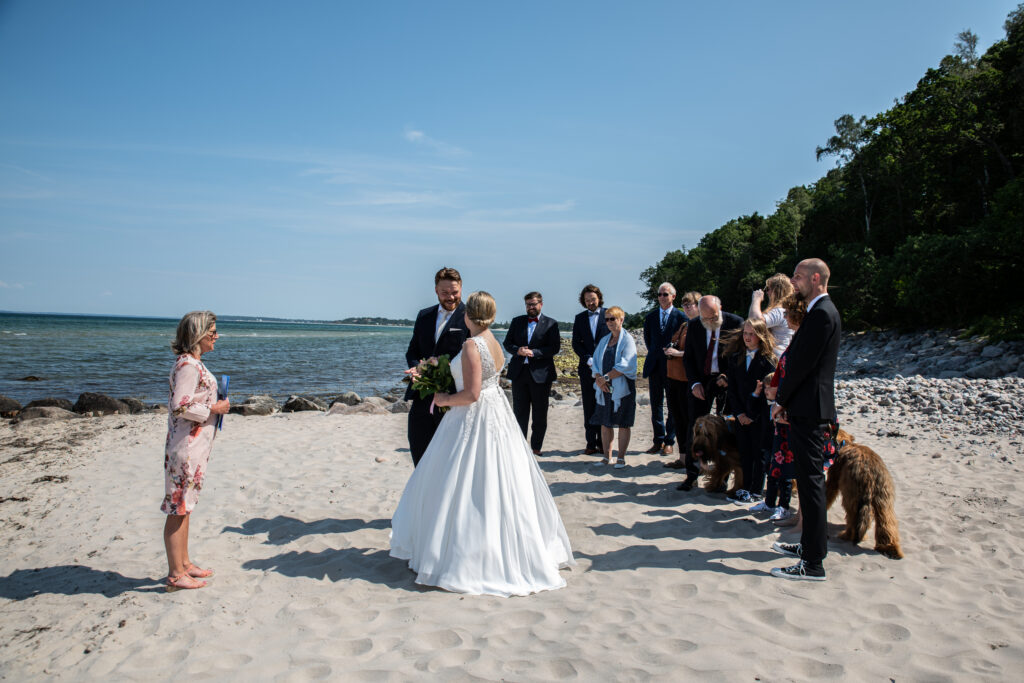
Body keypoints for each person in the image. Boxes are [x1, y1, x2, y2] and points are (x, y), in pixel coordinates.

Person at [390, 292, 575, 596]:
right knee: (496, 480)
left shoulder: (471, 344)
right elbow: (488, 381)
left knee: (460, 482)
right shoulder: (493, 340)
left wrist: (444, 398)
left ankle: (463, 556)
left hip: (473, 416)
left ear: (469, 315)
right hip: (496, 413)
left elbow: (472, 394)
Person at [770, 258, 842, 582]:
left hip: (810, 408)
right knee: (808, 479)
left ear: (815, 278)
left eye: (798, 277)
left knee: (812, 483)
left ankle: (813, 563)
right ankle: (809, 546)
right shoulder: (817, 312)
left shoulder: (823, 313)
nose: (794, 282)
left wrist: (780, 401)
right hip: (805, 406)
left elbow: (802, 365)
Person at [162, 311, 230, 591]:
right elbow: (180, 405)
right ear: (198, 335)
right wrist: (214, 408)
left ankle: (185, 563)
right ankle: (176, 573)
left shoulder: (194, 363)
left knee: (185, 507)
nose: (217, 337)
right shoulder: (188, 365)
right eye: (212, 332)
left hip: (194, 446)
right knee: (178, 508)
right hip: (185, 448)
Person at [677, 295, 743, 490]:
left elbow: (742, 356)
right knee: (694, 426)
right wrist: (694, 383)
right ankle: (692, 474)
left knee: (728, 427)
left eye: (714, 317)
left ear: (720, 308)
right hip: (702, 380)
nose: (710, 321)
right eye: (706, 318)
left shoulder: (736, 323)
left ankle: (722, 477)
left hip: (727, 380)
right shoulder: (695, 325)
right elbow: (688, 359)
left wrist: (728, 377)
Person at [405, 267, 468, 466]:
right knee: (419, 452)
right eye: (445, 293)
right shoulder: (424, 315)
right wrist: (416, 368)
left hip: (453, 398)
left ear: (461, 289)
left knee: (448, 461)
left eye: (455, 292)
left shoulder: (470, 317)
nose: (450, 297)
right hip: (421, 396)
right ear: (436, 291)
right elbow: (412, 351)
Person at [721, 318, 777, 503]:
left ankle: (755, 490)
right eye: (745, 333)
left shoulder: (768, 360)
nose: (747, 337)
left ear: (761, 336)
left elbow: (768, 392)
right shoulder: (736, 357)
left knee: (759, 453)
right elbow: (733, 390)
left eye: (752, 334)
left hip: (760, 416)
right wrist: (739, 414)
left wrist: (751, 416)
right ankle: (745, 487)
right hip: (741, 414)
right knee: (744, 451)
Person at [503, 292, 561, 456]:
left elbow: (554, 348)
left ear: (541, 304)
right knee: (519, 412)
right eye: (528, 304)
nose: (531, 307)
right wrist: (518, 350)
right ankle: (520, 447)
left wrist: (534, 352)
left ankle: (536, 448)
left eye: (534, 304)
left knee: (539, 413)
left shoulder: (551, 323)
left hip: (541, 374)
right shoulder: (517, 321)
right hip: (519, 373)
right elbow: (507, 344)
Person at [589, 306, 638, 469]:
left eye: (613, 319)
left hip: (623, 387)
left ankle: (621, 458)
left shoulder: (627, 340)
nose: (609, 322)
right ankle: (606, 457)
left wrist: (606, 378)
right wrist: (598, 378)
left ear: (621, 320)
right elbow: (595, 361)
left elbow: (626, 364)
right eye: (607, 319)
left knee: (623, 422)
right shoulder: (605, 340)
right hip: (604, 387)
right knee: (605, 422)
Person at [642, 283, 686, 456]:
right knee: (656, 405)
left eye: (665, 294)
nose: (662, 297)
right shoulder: (651, 317)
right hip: (654, 366)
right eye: (660, 294)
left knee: (673, 406)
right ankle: (658, 440)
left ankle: (669, 441)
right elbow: (648, 339)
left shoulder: (681, 317)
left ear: (673, 296)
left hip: (673, 366)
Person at [662, 291, 700, 470]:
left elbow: (703, 354)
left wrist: (678, 353)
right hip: (674, 377)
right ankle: (683, 457)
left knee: (690, 419)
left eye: (690, 304)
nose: (686, 307)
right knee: (678, 417)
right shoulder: (685, 325)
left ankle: (694, 459)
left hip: (688, 380)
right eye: (684, 305)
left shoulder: (703, 326)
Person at [571, 284, 610, 455]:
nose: (590, 303)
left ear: (599, 298)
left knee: (604, 404)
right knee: (588, 405)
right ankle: (590, 442)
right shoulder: (579, 318)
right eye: (587, 300)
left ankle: (603, 442)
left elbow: (613, 338)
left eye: (593, 299)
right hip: (586, 368)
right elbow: (575, 343)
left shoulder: (609, 315)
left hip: (606, 368)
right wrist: (586, 357)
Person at [749, 273, 796, 356]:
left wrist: (756, 299)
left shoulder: (780, 311)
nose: (767, 292)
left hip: (775, 360)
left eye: (768, 289)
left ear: (776, 291)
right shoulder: (787, 310)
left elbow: (754, 322)